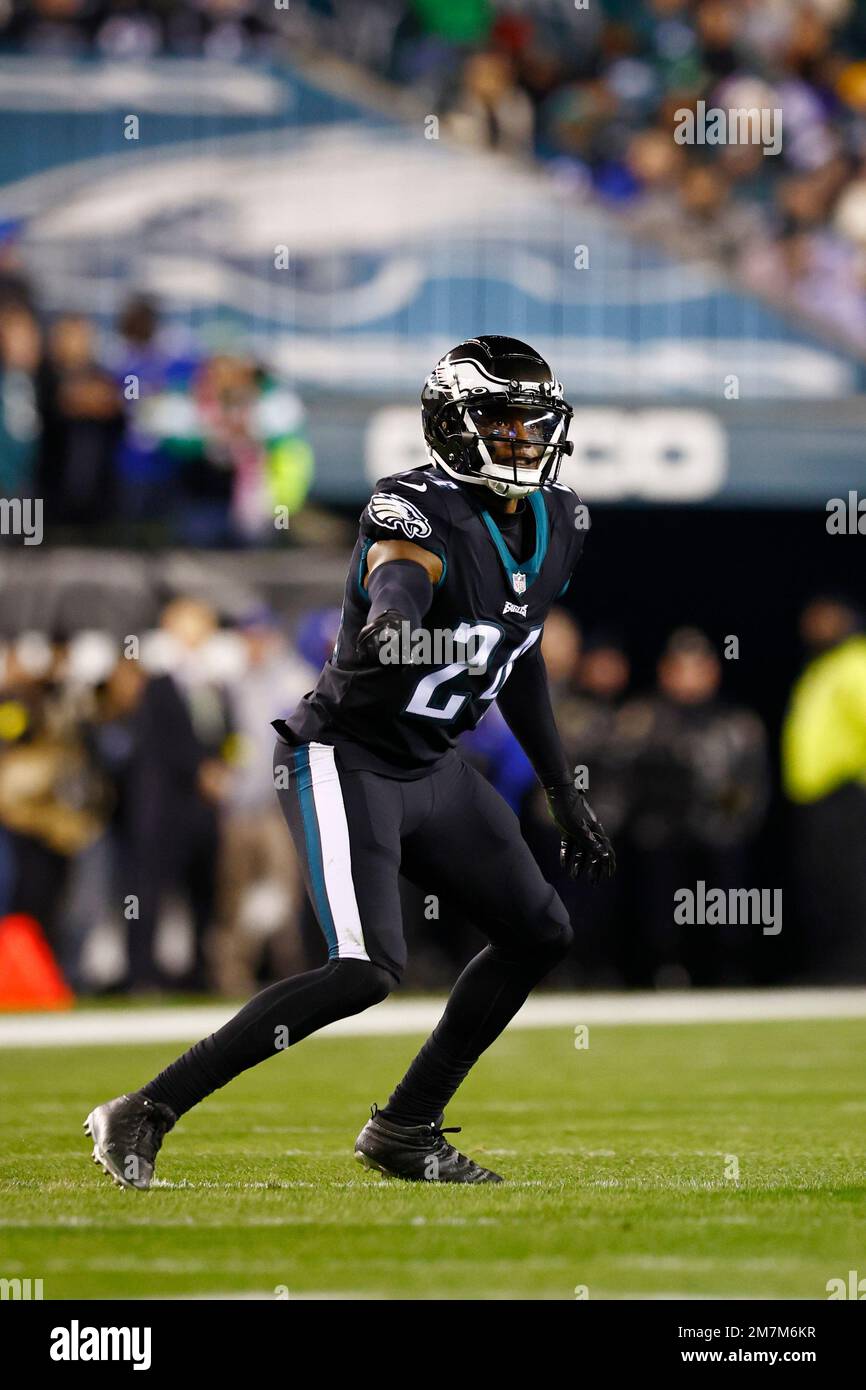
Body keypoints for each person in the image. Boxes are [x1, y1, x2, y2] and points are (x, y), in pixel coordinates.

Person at [83, 335, 615, 1188]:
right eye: (503, 423)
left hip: (432, 764)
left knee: (539, 930)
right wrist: (397, 624)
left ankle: (406, 1127)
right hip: (346, 756)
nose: (524, 440)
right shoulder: (411, 509)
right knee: (364, 971)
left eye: (533, 423)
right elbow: (399, 586)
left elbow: (520, 654)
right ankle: (145, 1108)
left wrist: (561, 788)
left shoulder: (559, 521)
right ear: (454, 426)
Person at [782, 596, 866, 981]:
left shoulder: (855, 663)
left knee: (850, 883)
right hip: (819, 801)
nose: (816, 629)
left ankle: (853, 966)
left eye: (826, 621)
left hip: (847, 795)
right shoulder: (823, 667)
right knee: (825, 885)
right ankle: (836, 966)